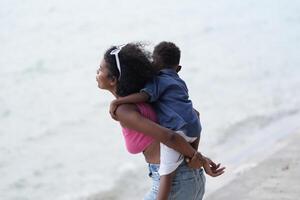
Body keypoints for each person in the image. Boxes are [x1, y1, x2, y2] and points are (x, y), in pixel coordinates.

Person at [96, 43, 225, 200]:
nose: (97, 72)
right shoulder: (151, 97)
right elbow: (194, 115)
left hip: (176, 184)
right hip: (190, 178)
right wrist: (195, 156)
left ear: (113, 80)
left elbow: (170, 137)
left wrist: (199, 158)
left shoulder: (124, 110)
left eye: (101, 69)